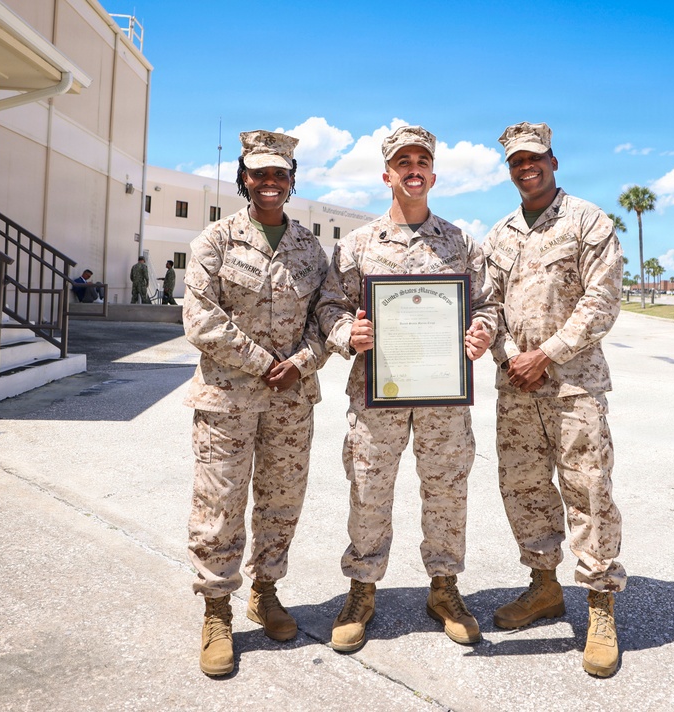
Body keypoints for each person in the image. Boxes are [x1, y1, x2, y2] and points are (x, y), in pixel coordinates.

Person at [316, 125, 497, 653]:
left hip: (444, 395)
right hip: (378, 393)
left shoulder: (460, 243)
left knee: (447, 490)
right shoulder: (358, 245)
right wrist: (347, 333)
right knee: (368, 489)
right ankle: (361, 590)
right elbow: (329, 305)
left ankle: (444, 588)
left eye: (421, 162)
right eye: (403, 162)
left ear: (433, 175)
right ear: (387, 175)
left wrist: (482, 330)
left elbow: (487, 303)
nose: (413, 170)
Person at [182, 130, 329, 677]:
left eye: (280, 174)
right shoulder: (216, 240)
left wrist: (303, 362)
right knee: (219, 504)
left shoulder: (309, 249)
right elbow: (200, 319)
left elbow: (327, 317)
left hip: (291, 402)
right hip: (228, 400)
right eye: (260, 173)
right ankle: (217, 610)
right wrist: (264, 362)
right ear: (244, 178)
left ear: (292, 180)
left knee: (281, 501)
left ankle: (265, 592)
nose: (270, 182)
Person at [482, 122, 627, 677]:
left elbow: (602, 302)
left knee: (588, 490)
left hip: (573, 386)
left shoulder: (588, 221)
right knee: (523, 488)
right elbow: (487, 307)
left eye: (535, 158)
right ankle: (544, 587)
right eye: (517, 161)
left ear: (553, 161)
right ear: (510, 169)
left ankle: (600, 605)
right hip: (516, 388)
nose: (527, 168)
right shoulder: (499, 236)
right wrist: (504, 356)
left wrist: (545, 354)